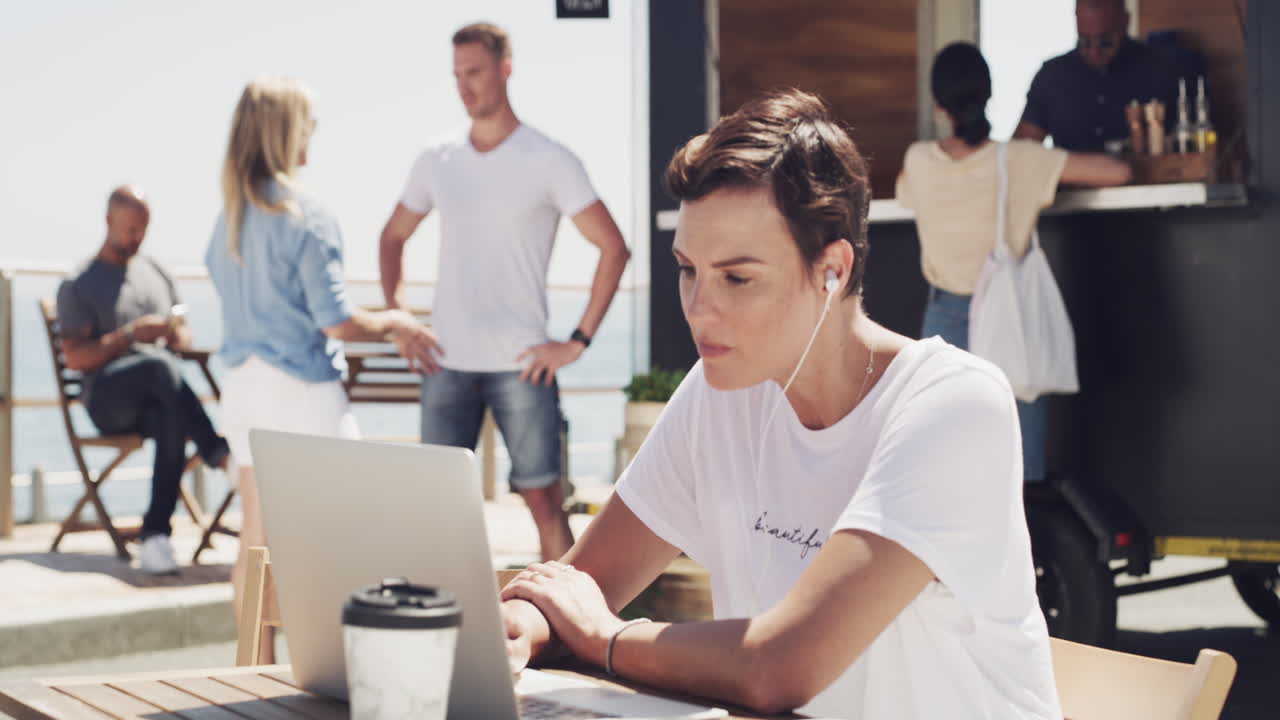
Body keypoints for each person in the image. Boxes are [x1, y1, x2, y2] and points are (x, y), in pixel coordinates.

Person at [498, 88, 1064, 719]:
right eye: (689, 270)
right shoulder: (724, 391)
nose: (699, 308)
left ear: (832, 271)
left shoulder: (954, 406)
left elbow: (779, 666)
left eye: (737, 278)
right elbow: (579, 586)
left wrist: (607, 638)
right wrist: (522, 620)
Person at [206, 75, 439, 663]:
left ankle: (252, 676)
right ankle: (346, 675)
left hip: (243, 389)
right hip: (300, 393)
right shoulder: (306, 214)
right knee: (351, 536)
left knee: (254, 544)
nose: (314, 134)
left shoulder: (228, 216)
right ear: (289, 131)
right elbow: (335, 321)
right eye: (308, 123)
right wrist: (395, 322)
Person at [378, 22, 630, 561]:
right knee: (438, 506)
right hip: (445, 360)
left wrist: (577, 341)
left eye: (474, 73)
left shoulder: (549, 159)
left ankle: (565, 635)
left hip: (522, 364)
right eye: (456, 76)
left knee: (543, 501)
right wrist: (398, 317)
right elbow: (392, 237)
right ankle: (443, 630)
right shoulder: (436, 159)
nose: (464, 87)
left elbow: (614, 247)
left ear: (504, 69)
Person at [898, 42, 1131, 483]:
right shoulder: (1019, 162)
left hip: (943, 322)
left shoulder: (918, 161)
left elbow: (907, 192)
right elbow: (1116, 173)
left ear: (938, 105)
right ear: (989, 96)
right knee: (1016, 477)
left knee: (946, 473)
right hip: (1010, 325)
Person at [57, 186, 231, 575]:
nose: (137, 237)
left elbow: (184, 335)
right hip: (107, 399)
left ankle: (155, 536)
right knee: (159, 367)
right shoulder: (79, 282)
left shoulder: (156, 272)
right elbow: (75, 357)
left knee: (169, 413)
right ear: (109, 221)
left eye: (142, 229)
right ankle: (217, 451)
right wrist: (132, 335)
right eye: (130, 228)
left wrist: (171, 335)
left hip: (159, 395)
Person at [1015, 0, 1179, 152]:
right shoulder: (1052, 76)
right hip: (1074, 181)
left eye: (1105, 42)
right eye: (1085, 42)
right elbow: (1023, 148)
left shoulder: (1160, 69)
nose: (1095, 52)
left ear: (1125, 21)